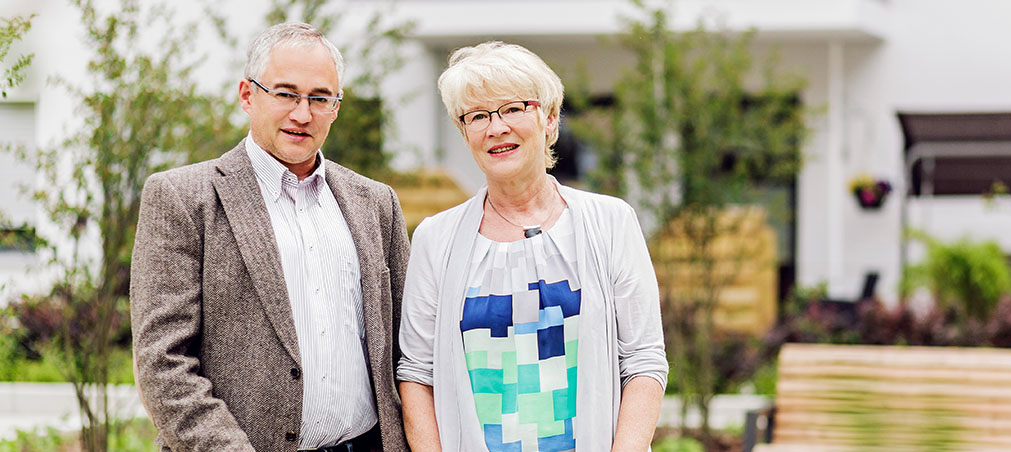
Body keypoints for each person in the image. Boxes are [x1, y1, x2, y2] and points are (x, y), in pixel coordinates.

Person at [130, 22, 409, 452]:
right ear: (247, 95)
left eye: (320, 98)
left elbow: (403, 350)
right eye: (285, 93)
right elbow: (162, 363)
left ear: (336, 107)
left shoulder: (376, 203)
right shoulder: (183, 198)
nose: (303, 113)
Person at [397, 41, 668, 452]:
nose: (496, 127)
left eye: (512, 108)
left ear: (550, 119)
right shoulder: (436, 238)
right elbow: (417, 374)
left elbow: (643, 361)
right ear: (465, 132)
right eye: (478, 116)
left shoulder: (611, 222)